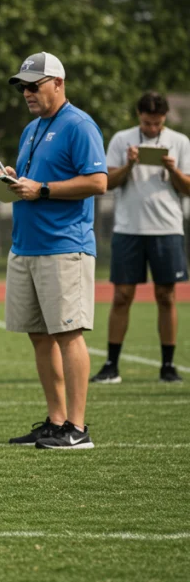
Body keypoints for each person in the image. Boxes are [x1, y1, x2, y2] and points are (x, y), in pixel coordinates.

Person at [0, 52, 107, 449]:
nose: (26, 93)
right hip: (26, 245)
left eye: (33, 85)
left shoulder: (79, 124)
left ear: (58, 83)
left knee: (68, 333)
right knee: (39, 335)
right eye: (23, 87)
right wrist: (12, 179)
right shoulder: (32, 128)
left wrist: (41, 189)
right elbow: (34, 180)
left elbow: (98, 182)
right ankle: (56, 421)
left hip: (64, 246)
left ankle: (77, 429)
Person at [91, 91, 190, 384]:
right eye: (147, 123)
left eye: (157, 124)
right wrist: (130, 164)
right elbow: (107, 182)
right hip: (128, 229)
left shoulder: (180, 142)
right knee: (122, 296)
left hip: (167, 229)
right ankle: (111, 365)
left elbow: (188, 188)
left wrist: (172, 169)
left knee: (166, 296)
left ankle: (168, 367)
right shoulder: (122, 140)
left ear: (164, 119)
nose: (152, 129)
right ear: (138, 117)